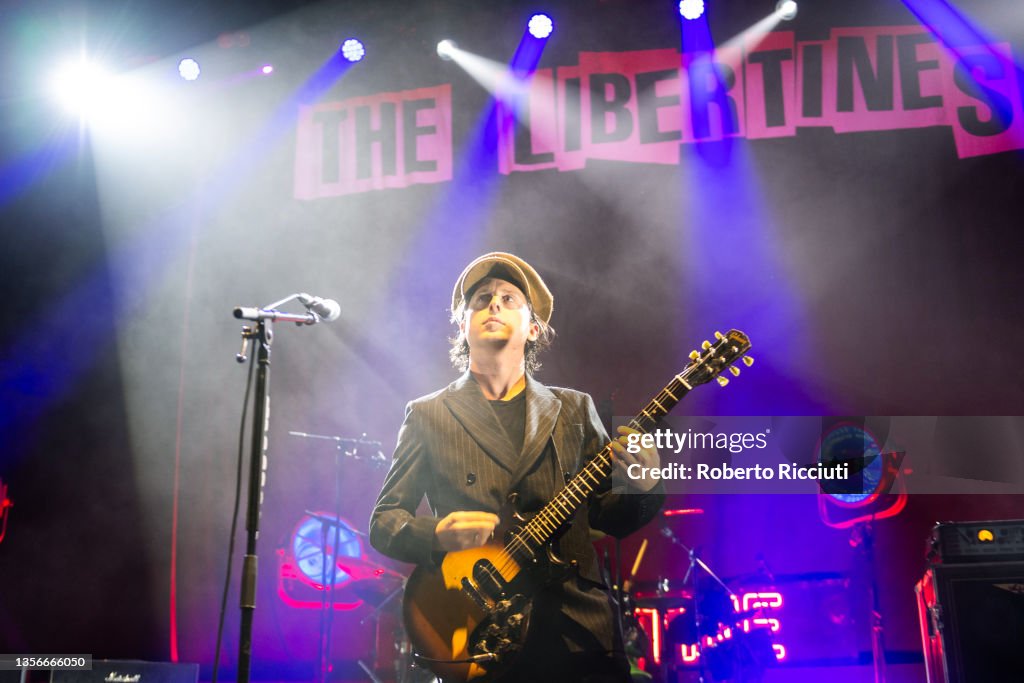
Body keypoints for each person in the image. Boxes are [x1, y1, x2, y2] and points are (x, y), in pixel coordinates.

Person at [369, 252, 664, 682]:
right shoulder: (427, 414)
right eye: (482, 299)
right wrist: (436, 533)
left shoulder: (574, 409)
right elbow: (384, 521)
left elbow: (611, 516)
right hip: (482, 634)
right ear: (461, 324)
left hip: (579, 631)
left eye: (509, 298)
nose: (493, 304)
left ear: (534, 328)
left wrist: (643, 483)